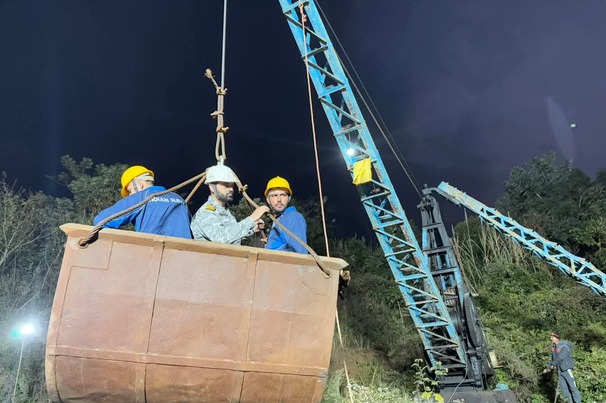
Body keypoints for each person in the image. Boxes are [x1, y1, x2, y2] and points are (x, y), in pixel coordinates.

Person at [93, 165, 192, 239]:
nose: (130, 195)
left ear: (139, 184)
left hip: (154, 257)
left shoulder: (141, 197)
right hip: (185, 258)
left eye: (130, 191)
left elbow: (101, 220)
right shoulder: (180, 199)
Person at [190, 164, 269, 245]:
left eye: (232, 186)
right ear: (212, 188)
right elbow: (221, 238)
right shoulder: (206, 212)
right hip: (209, 257)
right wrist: (251, 219)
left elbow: (232, 237)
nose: (231, 189)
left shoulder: (225, 211)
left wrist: (251, 229)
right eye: (226, 186)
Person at [264, 176, 308, 254]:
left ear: (289, 198)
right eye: (274, 195)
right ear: (268, 200)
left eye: (283, 195)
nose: (279, 199)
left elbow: (300, 254)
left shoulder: (293, 217)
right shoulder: (279, 219)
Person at [543, 332, 582, 403]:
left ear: (557, 338)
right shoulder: (554, 347)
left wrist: (553, 365)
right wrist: (548, 368)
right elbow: (553, 359)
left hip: (567, 370)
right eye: (551, 337)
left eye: (552, 337)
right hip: (560, 371)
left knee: (573, 388)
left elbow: (561, 357)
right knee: (565, 390)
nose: (551, 338)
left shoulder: (564, 347)